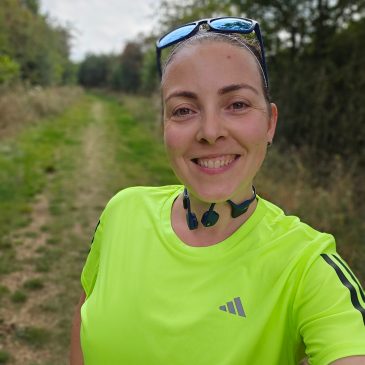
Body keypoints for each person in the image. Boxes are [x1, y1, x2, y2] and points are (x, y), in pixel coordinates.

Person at [70, 17, 365, 365]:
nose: (210, 131)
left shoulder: (307, 266)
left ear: (270, 123)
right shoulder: (122, 212)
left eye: (237, 104)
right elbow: (85, 318)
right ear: (165, 126)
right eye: (183, 110)